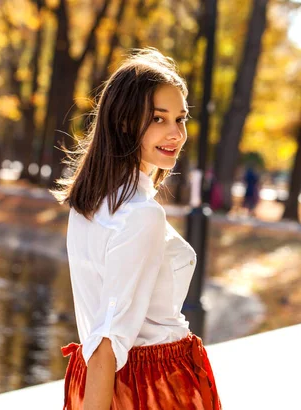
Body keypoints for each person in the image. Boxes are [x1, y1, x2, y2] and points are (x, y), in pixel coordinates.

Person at [52, 48, 221, 410]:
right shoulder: (140, 214)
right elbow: (107, 340)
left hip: (110, 382)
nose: (176, 133)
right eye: (159, 119)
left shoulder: (88, 202)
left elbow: (100, 337)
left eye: (180, 119)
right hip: (152, 386)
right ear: (126, 122)